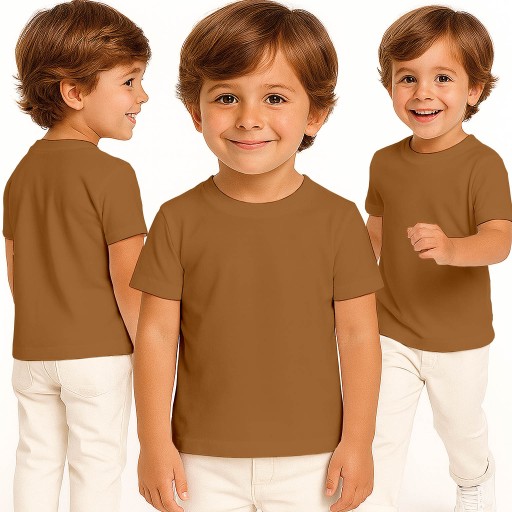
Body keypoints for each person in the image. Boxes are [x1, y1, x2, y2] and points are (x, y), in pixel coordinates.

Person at [130, 1, 383, 511]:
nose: (249, 119)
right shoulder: (176, 219)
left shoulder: (338, 220)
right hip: (199, 458)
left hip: (315, 458)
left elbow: (359, 337)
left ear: (315, 115)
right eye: (227, 97)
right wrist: (153, 445)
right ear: (196, 112)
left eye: (274, 97)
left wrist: (359, 443)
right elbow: (155, 336)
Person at [359, 6, 512, 512]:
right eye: (408, 78)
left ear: (474, 91)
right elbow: (376, 232)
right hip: (392, 328)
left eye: (442, 78)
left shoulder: (483, 164)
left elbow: (499, 240)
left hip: (458, 338)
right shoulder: (384, 161)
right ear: (390, 87)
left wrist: (450, 249)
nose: (423, 92)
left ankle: (475, 478)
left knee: (460, 429)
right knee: (379, 431)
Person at [2, 1, 150, 510]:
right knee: (98, 464)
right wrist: (154, 351)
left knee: (36, 458)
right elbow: (130, 280)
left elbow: (16, 273)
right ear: (75, 92)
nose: (142, 95)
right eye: (129, 81)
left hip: (32, 354)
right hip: (98, 357)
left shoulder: (21, 175)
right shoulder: (112, 175)